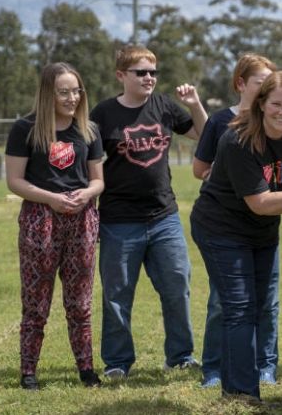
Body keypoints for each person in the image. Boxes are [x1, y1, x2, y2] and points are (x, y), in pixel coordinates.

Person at [190, 71, 282, 407]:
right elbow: (261, 203)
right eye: (276, 104)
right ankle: (241, 392)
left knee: (260, 305)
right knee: (239, 308)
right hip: (220, 228)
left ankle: (240, 385)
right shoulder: (237, 141)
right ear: (261, 104)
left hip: (262, 233)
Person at [90, 45, 207, 379]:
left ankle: (180, 356)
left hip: (163, 217)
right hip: (118, 220)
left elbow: (205, 135)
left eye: (153, 72)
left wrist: (195, 104)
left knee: (177, 287)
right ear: (121, 75)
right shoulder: (103, 114)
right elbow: (86, 157)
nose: (148, 78)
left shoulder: (165, 106)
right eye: (140, 72)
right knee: (116, 296)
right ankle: (117, 362)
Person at [4, 62, 105, 390]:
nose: (72, 97)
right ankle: (28, 372)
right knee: (36, 301)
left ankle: (87, 370)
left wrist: (85, 194)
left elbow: (98, 181)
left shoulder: (88, 130)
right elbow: (15, 181)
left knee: (81, 302)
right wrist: (51, 198)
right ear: (48, 93)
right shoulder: (25, 129)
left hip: (82, 219)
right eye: (64, 92)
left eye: (76, 91)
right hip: (40, 220)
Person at [191, 53, 278, 388]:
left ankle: (265, 364)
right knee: (224, 302)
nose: (267, 90)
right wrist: (233, 176)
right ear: (241, 84)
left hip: (263, 226)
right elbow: (200, 169)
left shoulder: (277, 121)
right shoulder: (220, 123)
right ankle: (213, 367)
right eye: (260, 83)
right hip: (225, 221)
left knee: (267, 300)